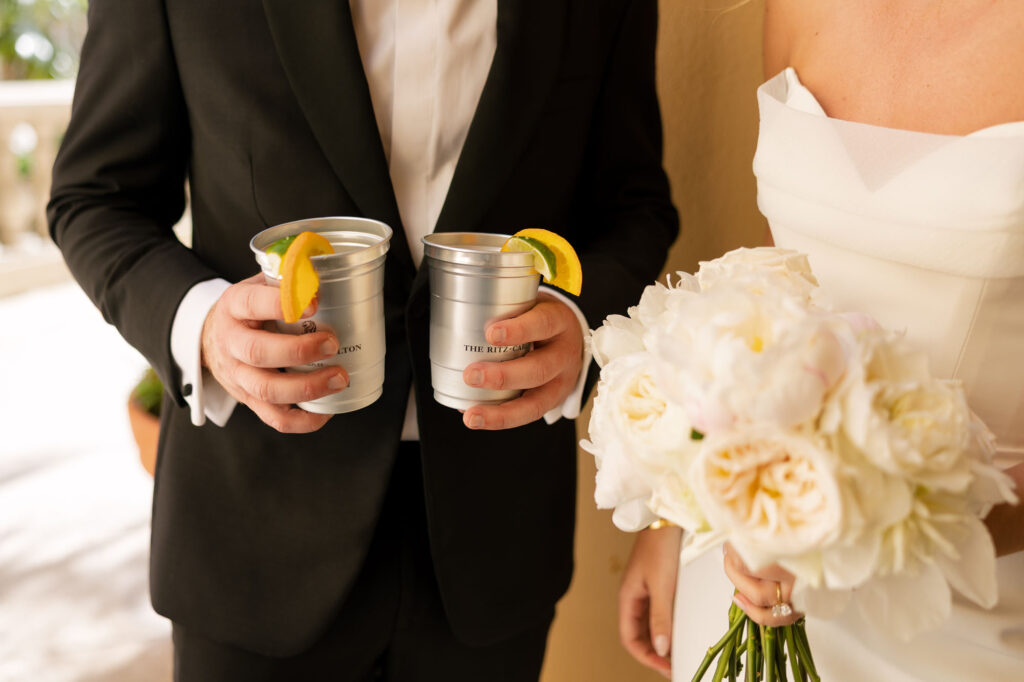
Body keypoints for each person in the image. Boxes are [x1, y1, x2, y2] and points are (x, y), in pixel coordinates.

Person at [49, 1, 679, 679]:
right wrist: (203, 324)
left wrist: (577, 321)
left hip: (497, 540)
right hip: (252, 537)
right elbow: (96, 197)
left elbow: (634, 207)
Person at [618, 1, 1024, 680]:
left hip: (970, 614)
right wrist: (681, 505)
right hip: (744, 580)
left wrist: (856, 539)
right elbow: (785, 284)